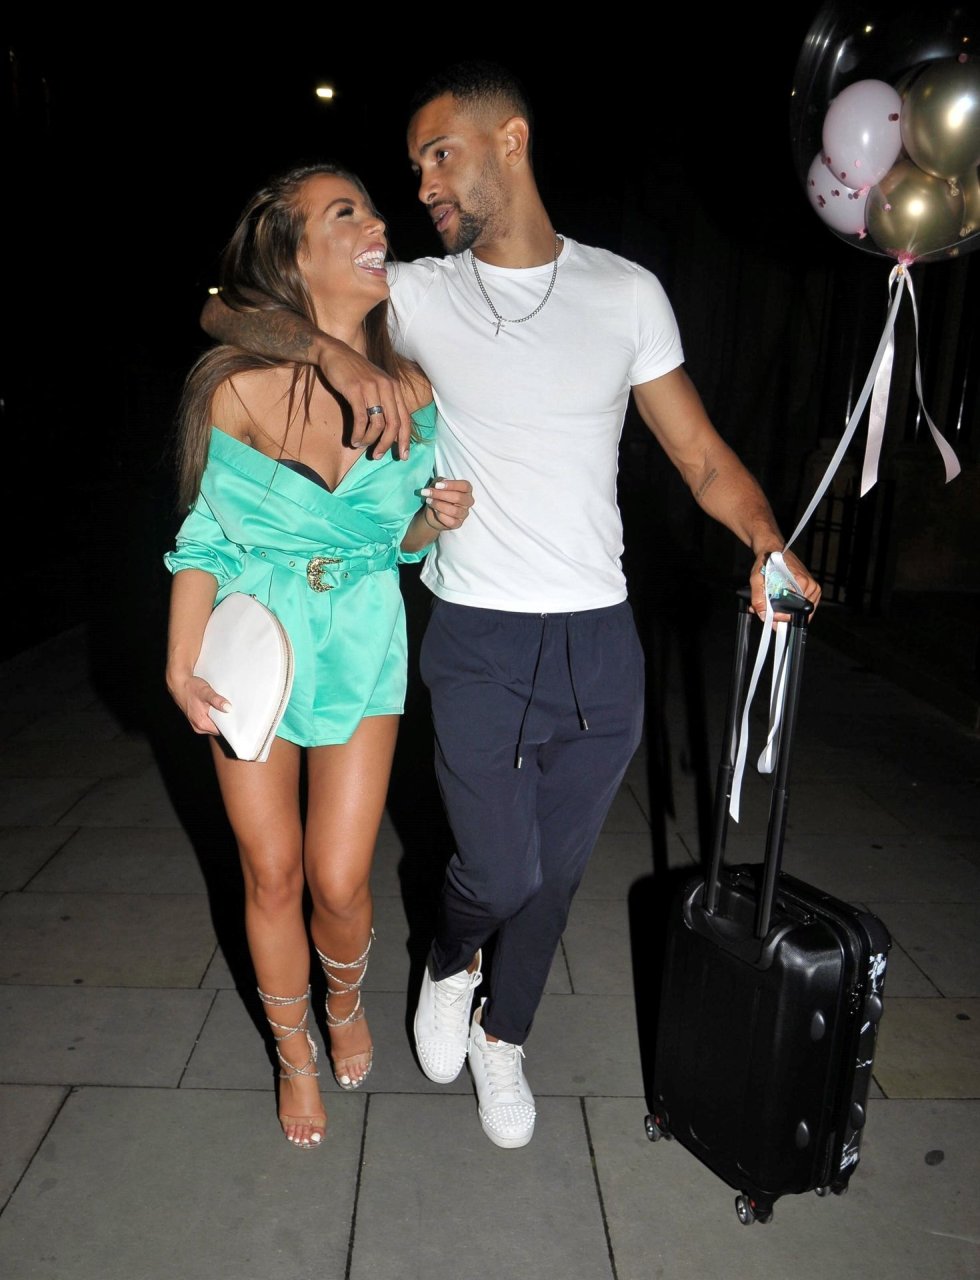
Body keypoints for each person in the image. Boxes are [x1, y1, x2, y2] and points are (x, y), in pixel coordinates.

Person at [199, 61, 822, 1151]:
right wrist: (332, 352)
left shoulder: (626, 293)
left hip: (599, 638)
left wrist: (770, 544)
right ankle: (450, 960)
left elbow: (699, 456)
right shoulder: (420, 292)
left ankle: (506, 1033)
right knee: (497, 868)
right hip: (477, 634)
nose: (424, 186)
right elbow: (225, 308)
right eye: (414, 167)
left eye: (440, 155)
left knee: (558, 873)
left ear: (511, 142)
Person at [165, 161, 473, 1150]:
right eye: (346, 212)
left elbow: (401, 545)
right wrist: (179, 661)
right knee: (271, 871)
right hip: (254, 642)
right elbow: (204, 540)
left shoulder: (416, 390)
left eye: (373, 208)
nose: (378, 221)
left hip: (363, 641)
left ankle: (344, 999)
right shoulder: (236, 388)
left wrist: (432, 520)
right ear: (293, 254)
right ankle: (293, 1050)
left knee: (340, 879)